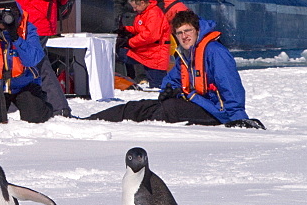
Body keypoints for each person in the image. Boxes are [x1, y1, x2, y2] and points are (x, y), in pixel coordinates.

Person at [85, 10, 265, 128]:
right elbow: (172, 80)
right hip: (197, 104)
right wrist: (168, 91)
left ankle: (132, 131)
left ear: (197, 30)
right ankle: (90, 121)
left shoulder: (215, 53)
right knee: (140, 106)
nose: (184, 36)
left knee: (167, 110)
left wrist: (237, 119)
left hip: (218, 113)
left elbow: (231, 89)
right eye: (179, 33)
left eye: (187, 31)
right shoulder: (185, 56)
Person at [115, 0, 171, 88]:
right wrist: (126, 30)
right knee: (121, 53)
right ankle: (127, 78)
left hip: (156, 57)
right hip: (146, 53)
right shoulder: (143, 13)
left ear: (142, 2)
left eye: (135, 7)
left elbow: (149, 35)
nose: (134, 10)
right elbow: (139, 29)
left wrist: (129, 42)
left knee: (158, 87)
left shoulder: (154, 13)